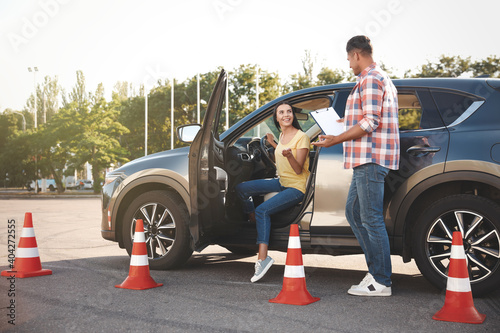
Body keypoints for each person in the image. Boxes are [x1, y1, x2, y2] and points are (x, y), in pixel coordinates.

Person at [312, 35, 400, 296]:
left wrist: (336, 139)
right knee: (353, 212)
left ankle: (382, 280)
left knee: (371, 218)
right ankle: (375, 271)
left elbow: (371, 121)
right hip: (365, 159)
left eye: (349, 58)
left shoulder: (371, 78)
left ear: (357, 54)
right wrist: (341, 124)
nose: (349, 63)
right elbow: (365, 117)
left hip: (371, 158)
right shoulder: (371, 79)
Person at [236, 101, 310, 283]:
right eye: (282, 112)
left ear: (293, 115)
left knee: (263, 211)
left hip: (296, 187)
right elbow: (281, 157)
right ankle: (254, 219)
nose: (286, 115)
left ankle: (263, 258)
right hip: (281, 182)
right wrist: (272, 143)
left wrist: (290, 155)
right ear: (276, 118)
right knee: (242, 188)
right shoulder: (282, 135)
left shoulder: (302, 137)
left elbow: (298, 170)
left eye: (289, 112)